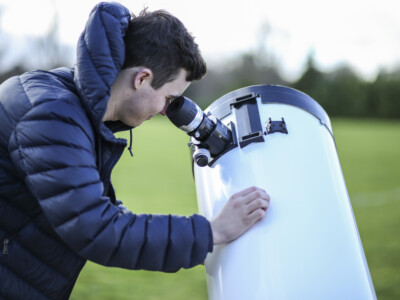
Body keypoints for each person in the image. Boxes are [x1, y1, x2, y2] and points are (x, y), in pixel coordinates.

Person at [0, 2, 270, 299]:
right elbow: (96, 229)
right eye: (169, 99)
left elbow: (92, 208)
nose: (167, 112)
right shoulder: (51, 114)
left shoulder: (76, 107)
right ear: (142, 79)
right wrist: (213, 231)